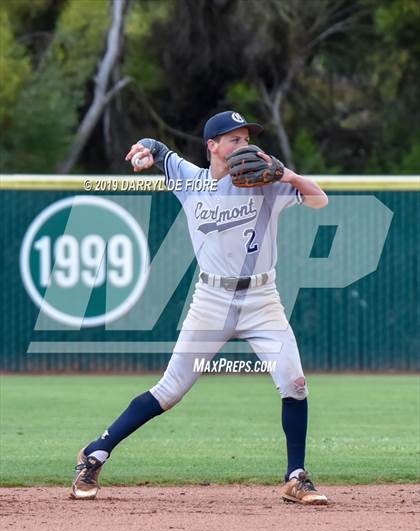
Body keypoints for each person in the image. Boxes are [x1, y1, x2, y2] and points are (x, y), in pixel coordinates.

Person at [71, 111, 329, 505]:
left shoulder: (266, 183)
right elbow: (159, 150)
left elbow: (319, 200)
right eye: (236, 140)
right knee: (169, 391)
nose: (246, 147)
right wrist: (143, 151)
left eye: (248, 140)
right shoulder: (190, 179)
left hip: (262, 300)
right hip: (212, 300)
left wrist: (287, 175)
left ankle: (296, 477)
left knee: (294, 382)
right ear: (213, 146)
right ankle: (94, 453)